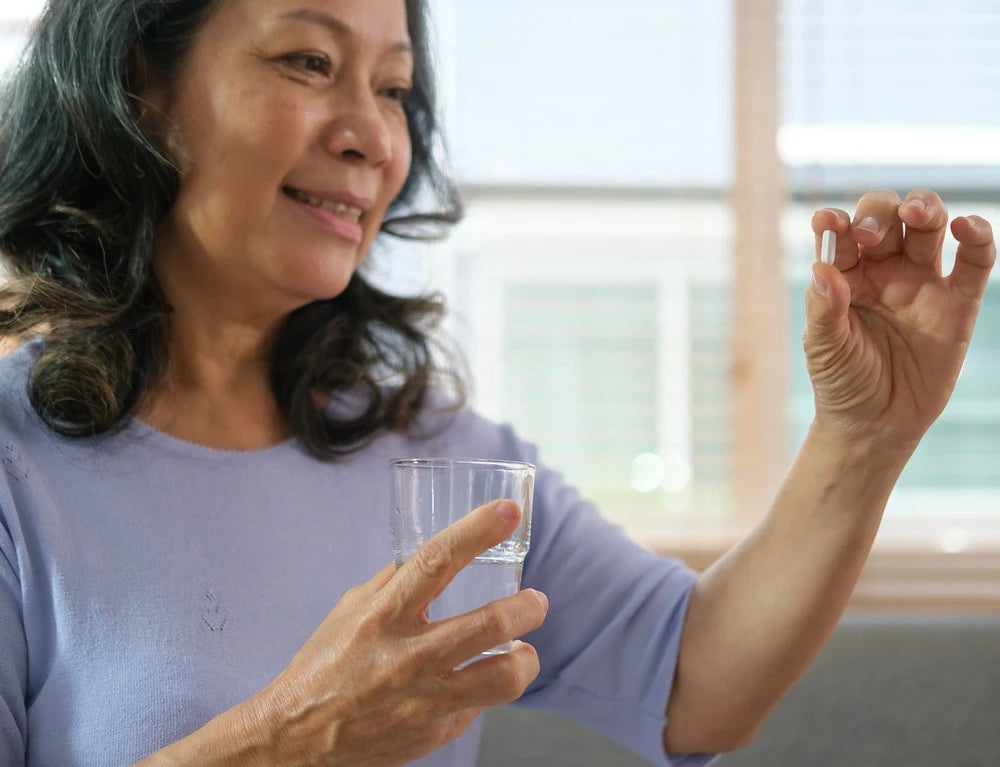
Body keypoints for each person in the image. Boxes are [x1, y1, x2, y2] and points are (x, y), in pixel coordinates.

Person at [0, 0, 994, 765]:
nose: (371, 136)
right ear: (143, 88)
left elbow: (693, 673)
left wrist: (863, 437)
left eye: (392, 88)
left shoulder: (447, 460)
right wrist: (284, 742)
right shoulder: (17, 473)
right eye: (308, 61)